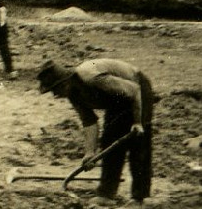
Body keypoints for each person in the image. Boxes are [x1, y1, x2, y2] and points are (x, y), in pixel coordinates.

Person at [37, 59, 156, 201]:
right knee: (109, 140)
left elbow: (134, 90)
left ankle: (139, 199)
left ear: (65, 82)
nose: (55, 95)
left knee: (138, 144)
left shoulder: (92, 78)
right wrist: (89, 153)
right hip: (117, 101)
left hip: (138, 91)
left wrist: (137, 122)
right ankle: (106, 193)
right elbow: (89, 122)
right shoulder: (73, 94)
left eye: (54, 89)